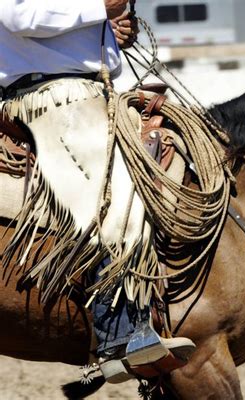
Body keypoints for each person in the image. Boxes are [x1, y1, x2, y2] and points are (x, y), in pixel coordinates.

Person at [0, 0, 195, 383]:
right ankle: (120, 335)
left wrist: (111, 36)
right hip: (48, 95)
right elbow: (13, 14)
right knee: (115, 187)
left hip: (94, 89)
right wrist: (99, 10)